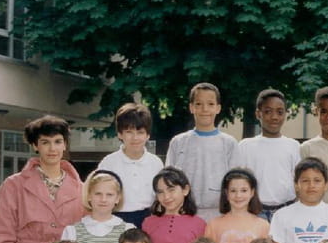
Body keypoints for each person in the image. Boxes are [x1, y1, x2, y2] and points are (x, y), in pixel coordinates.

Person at [166, 82, 243, 221]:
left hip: (219, 214)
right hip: (184, 213)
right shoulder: (178, 142)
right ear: (191, 107)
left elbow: (236, 181)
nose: (205, 109)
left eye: (210, 104)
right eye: (199, 104)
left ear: (218, 108)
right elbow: (169, 180)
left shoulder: (229, 143)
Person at [238, 89, 301, 221]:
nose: (274, 117)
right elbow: (239, 181)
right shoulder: (245, 146)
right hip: (255, 212)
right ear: (258, 114)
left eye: (280, 112)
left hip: (287, 210)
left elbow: (298, 181)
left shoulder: (293, 145)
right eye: (268, 111)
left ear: (285, 114)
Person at [97, 102, 163, 228]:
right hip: (116, 219)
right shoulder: (108, 163)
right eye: (129, 132)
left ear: (148, 135)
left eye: (140, 132)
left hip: (148, 219)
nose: (135, 138)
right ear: (120, 134)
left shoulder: (156, 163)